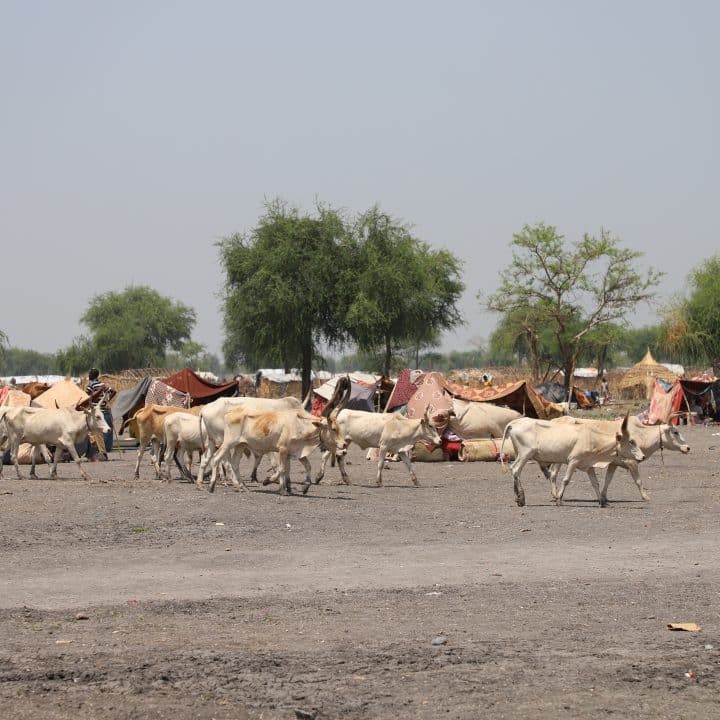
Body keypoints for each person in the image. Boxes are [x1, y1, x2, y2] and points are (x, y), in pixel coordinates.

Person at [85, 368, 114, 461]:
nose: (88, 375)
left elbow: (87, 397)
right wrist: (107, 401)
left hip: (96, 411)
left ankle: (102, 453)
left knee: (96, 432)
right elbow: (113, 391)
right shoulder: (102, 384)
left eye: (89, 373)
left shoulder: (91, 385)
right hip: (104, 410)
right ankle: (96, 451)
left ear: (92, 375)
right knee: (95, 433)